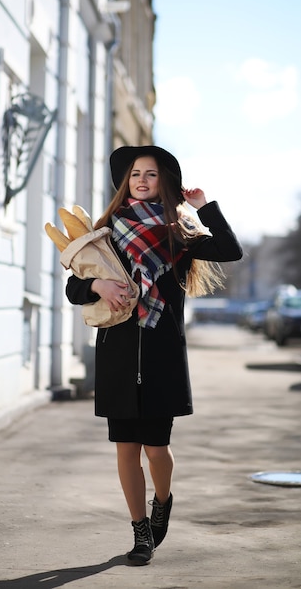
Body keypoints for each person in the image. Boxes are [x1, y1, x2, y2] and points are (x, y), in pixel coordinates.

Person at [65, 145, 243, 565]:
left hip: (162, 354)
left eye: (151, 174)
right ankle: (140, 532)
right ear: (125, 182)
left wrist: (203, 207)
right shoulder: (105, 231)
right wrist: (98, 287)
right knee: (126, 447)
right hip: (118, 354)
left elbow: (230, 249)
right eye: (134, 174)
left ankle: (163, 500)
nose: (142, 180)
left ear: (164, 183)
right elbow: (74, 286)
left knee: (156, 449)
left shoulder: (177, 233)